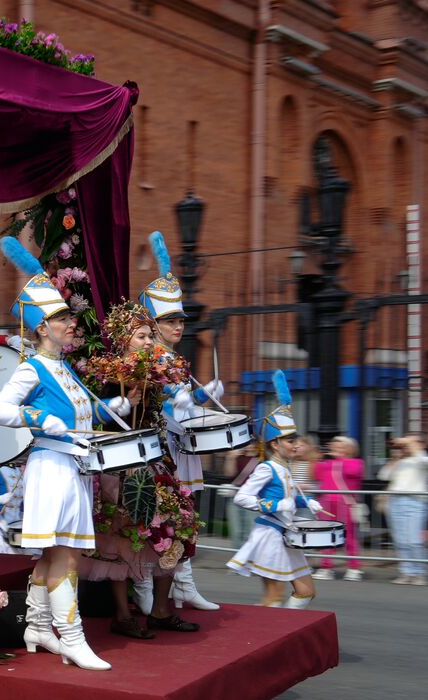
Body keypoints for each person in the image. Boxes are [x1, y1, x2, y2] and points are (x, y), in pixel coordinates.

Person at [0, 237, 134, 670]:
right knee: (68, 554)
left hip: (73, 468)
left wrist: (113, 410)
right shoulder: (32, 367)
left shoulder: (65, 369)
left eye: (69, 317)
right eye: (61, 318)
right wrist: (38, 419)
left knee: (53, 554)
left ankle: (36, 625)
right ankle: (71, 637)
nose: (72, 324)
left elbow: (78, 419)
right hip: (52, 467)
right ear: (40, 328)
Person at [80, 301, 199, 637]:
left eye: (150, 335)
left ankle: (162, 610)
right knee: (120, 536)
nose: (149, 341)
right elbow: (100, 414)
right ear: (123, 340)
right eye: (142, 336)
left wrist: (179, 388)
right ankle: (122, 615)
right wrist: (126, 400)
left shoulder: (155, 369)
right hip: (122, 467)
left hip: (156, 459)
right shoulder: (112, 372)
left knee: (176, 527)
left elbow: (169, 385)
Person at [135, 231, 222, 616]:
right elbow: (153, 406)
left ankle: (183, 585)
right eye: (169, 320)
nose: (178, 326)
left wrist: (201, 398)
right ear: (152, 323)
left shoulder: (175, 358)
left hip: (183, 448)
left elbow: (183, 408)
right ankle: (145, 587)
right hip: (161, 452)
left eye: (180, 320)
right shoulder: (146, 357)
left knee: (186, 521)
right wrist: (178, 401)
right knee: (159, 521)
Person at [228, 371, 321, 607]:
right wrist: (278, 505)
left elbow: (288, 497)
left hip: (288, 536)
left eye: (296, 441)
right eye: (291, 441)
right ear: (275, 444)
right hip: (270, 536)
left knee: (306, 592)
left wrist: (306, 501)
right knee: (274, 598)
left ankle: (283, 634)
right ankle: (263, 637)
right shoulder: (266, 468)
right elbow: (242, 498)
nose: (297, 445)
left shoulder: (285, 468)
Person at [379, 434, 428, 586]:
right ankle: (407, 572)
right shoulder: (401, 462)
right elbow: (384, 475)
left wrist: (410, 443)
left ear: (421, 445)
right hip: (395, 501)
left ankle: (420, 573)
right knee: (400, 540)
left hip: (415, 501)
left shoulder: (426, 460)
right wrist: (395, 458)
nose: (405, 446)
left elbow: (423, 460)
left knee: (413, 540)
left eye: (412, 442)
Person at [312, 436, 364, 581]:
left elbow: (352, 472)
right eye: (334, 445)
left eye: (340, 446)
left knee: (349, 537)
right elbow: (316, 475)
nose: (335, 448)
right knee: (326, 536)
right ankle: (326, 567)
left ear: (350, 449)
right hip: (326, 503)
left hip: (345, 504)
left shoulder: (356, 462)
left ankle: (354, 568)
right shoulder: (326, 463)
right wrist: (318, 460)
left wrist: (337, 460)